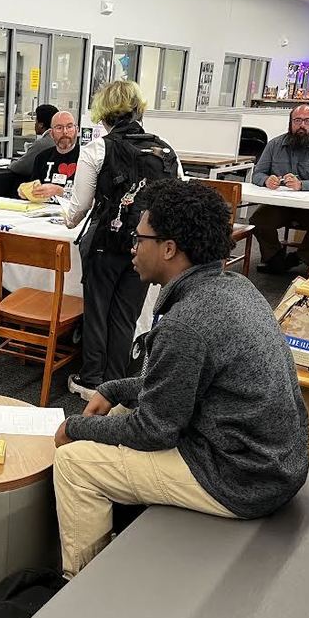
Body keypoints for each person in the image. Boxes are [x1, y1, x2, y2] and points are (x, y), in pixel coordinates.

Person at [52, 179, 309, 577]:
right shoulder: (234, 286)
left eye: (139, 238)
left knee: (74, 462)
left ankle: (81, 586)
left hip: (241, 479)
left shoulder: (186, 324)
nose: (132, 248)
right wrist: (113, 388)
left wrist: (75, 427)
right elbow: (179, 382)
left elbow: (156, 430)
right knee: (117, 410)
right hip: (273, 462)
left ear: (169, 248)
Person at [59, 80, 182, 400]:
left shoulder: (97, 149)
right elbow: (176, 201)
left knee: (97, 311)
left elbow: (77, 211)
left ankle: (90, 380)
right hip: (148, 248)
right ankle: (115, 384)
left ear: (103, 112)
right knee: (126, 314)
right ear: (138, 109)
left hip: (105, 244)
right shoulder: (167, 151)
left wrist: (63, 212)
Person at [250, 104, 309, 274]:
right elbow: (257, 173)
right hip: (278, 205)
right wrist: (266, 180)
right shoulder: (274, 144)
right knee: (258, 220)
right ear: (290, 123)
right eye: (297, 120)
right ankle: (274, 257)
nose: (302, 125)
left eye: (306, 121)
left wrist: (302, 185)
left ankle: (298, 258)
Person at [20, 110, 80, 201]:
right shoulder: (42, 158)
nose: (65, 132)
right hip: (44, 210)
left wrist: (60, 191)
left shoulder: (87, 158)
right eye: (59, 128)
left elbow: (90, 199)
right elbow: (34, 188)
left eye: (69, 127)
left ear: (77, 130)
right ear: (51, 134)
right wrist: (27, 192)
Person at [8, 103, 59, 178]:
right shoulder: (58, 140)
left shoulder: (41, 144)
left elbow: (20, 167)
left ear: (41, 124)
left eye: (36, 121)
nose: (35, 124)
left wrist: (12, 163)